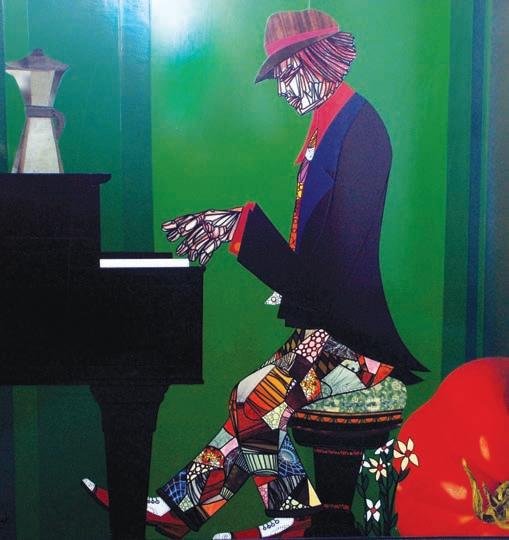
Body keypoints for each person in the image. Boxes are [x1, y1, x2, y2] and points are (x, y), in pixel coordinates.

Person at [83, 8, 427, 539]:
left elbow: (338, 268)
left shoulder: (359, 131)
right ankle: (179, 510)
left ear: (317, 61)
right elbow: (317, 260)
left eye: (287, 75)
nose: (283, 91)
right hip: (331, 329)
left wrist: (238, 227)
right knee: (250, 404)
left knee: (252, 400)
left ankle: (291, 516)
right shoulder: (330, 124)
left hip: (358, 343)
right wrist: (236, 228)